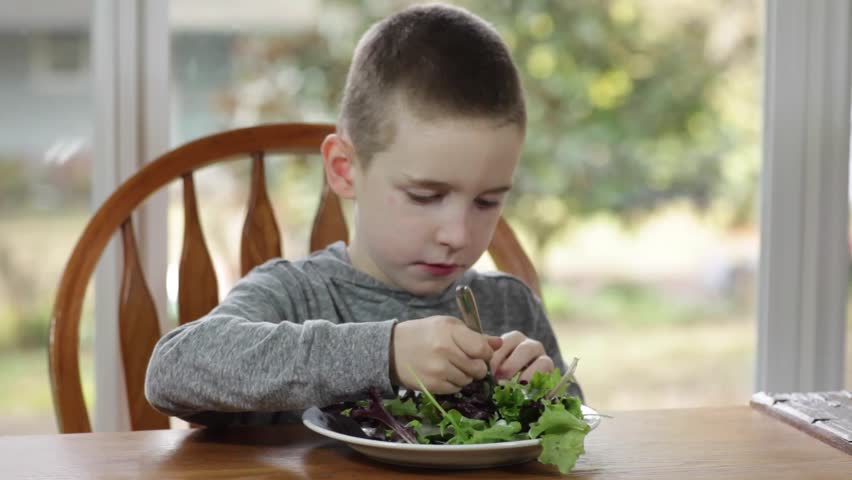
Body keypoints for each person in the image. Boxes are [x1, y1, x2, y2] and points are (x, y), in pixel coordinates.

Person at [145, 2, 578, 427]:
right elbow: (172, 371)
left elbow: (577, 439)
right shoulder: (297, 296)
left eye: (487, 202)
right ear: (344, 169)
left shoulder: (509, 306)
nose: (457, 234)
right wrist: (385, 353)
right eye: (425, 196)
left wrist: (545, 399)